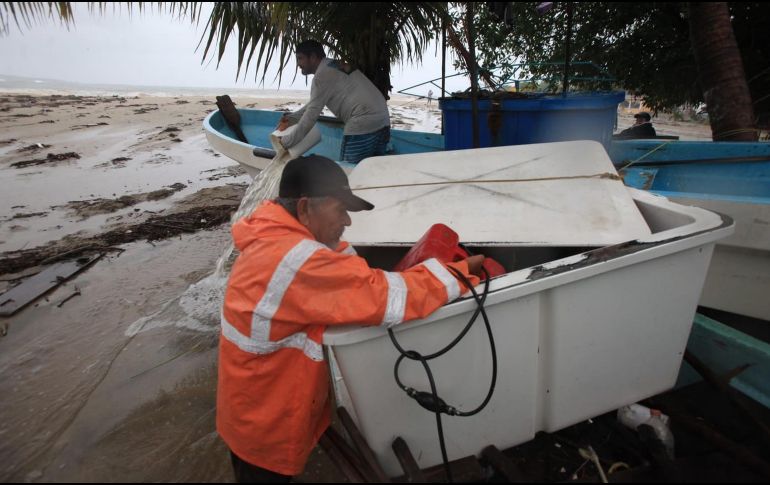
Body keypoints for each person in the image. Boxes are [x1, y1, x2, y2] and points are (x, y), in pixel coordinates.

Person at [216, 154, 485, 482]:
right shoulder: (296, 260)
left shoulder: (274, 234)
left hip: (251, 407)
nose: (347, 221)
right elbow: (390, 297)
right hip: (267, 422)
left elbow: (348, 270)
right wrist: (460, 273)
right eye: (340, 210)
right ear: (304, 208)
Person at [277, 40, 391, 164]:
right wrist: (292, 118)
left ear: (313, 57)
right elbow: (314, 104)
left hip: (362, 125)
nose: (298, 64)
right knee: (372, 171)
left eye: (300, 58)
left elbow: (310, 117)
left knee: (350, 175)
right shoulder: (334, 65)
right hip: (383, 123)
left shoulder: (321, 76)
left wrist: (285, 142)